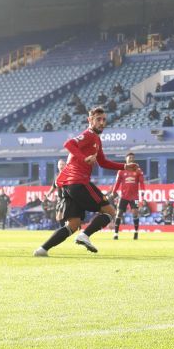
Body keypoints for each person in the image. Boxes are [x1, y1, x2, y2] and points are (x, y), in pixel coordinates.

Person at [33, 107, 128, 257]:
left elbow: (103, 162)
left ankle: (42, 249)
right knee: (110, 211)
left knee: (73, 224)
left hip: (68, 185)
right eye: (98, 119)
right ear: (89, 120)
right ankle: (85, 235)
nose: (102, 123)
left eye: (104, 119)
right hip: (78, 182)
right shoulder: (89, 135)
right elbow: (69, 144)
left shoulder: (96, 139)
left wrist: (125, 167)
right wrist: (83, 158)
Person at [109, 153, 146, 240]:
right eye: (129, 157)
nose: (131, 159)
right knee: (119, 214)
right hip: (123, 197)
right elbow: (117, 183)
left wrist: (143, 192)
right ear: (126, 159)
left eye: (132, 158)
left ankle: (136, 232)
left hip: (135, 197)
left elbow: (142, 183)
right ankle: (116, 233)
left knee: (135, 213)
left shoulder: (138, 170)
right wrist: (113, 192)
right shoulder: (121, 171)